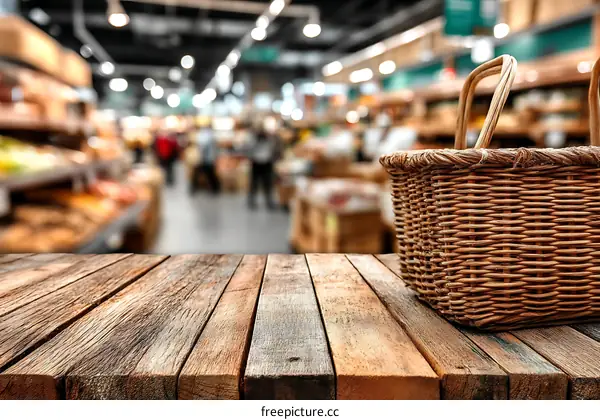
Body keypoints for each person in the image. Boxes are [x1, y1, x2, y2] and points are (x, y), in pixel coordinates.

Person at [246, 123, 281, 210]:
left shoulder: (269, 139)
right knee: (254, 183)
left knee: (267, 183)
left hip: (266, 163)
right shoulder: (254, 139)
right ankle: (252, 201)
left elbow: (273, 149)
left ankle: (269, 201)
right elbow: (249, 149)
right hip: (257, 163)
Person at [191, 125, 220, 194]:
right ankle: (215, 188)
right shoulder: (211, 135)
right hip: (209, 158)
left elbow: (203, 147)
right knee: (210, 174)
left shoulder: (205, 136)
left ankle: (215, 188)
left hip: (206, 159)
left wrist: (200, 157)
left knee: (209, 174)